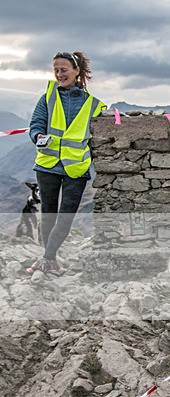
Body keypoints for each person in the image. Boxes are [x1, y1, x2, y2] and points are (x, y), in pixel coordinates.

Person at [27, 51, 106, 275]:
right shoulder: (48, 97)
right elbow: (36, 125)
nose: (60, 75)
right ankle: (49, 260)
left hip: (76, 168)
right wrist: (37, 136)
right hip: (48, 164)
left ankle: (46, 258)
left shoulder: (94, 105)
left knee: (66, 217)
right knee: (48, 214)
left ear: (76, 71)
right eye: (56, 71)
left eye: (64, 70)